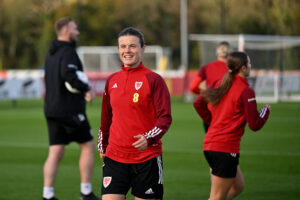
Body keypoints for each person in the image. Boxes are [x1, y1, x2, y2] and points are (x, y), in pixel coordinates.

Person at [97, 27, 172, 200]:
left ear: (142, 48)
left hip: (146, 159)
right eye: (122, 46)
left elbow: (165, 117)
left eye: (132, 46)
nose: (127, 51)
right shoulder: (112, 80)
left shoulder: (154, 80)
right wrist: (103, 146)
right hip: (115, 157)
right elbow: (105, 119)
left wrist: (148, 138)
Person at [194, 51, 271, 200]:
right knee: (216, 197)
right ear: (243, 68)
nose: (250, 66)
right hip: (224, 149)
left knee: (238, 186)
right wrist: (265, 111)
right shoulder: (246, 91)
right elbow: (255, 124)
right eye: (248, 63)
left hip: (212, 146)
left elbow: (198, 103)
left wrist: (212, 121)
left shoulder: (219, 83)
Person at [43, 17, 100, 200]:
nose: (78, 32)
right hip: (69, 110)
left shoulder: (51, 52)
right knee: (88, 146)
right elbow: (69, 75)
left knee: (56, 151)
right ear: (66, 31)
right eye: (75, 29)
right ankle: (86, 192)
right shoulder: (68, 51)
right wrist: (87, 89)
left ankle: (48, 195)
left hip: (51, 109)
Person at [190, 41, 230, 132]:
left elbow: (193, 87)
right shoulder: (232, 69)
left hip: (210, 110)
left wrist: (207, 94)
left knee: (211, 141)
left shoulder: (206, 67)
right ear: (229, 54)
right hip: (228, 111)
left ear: (217, 53)